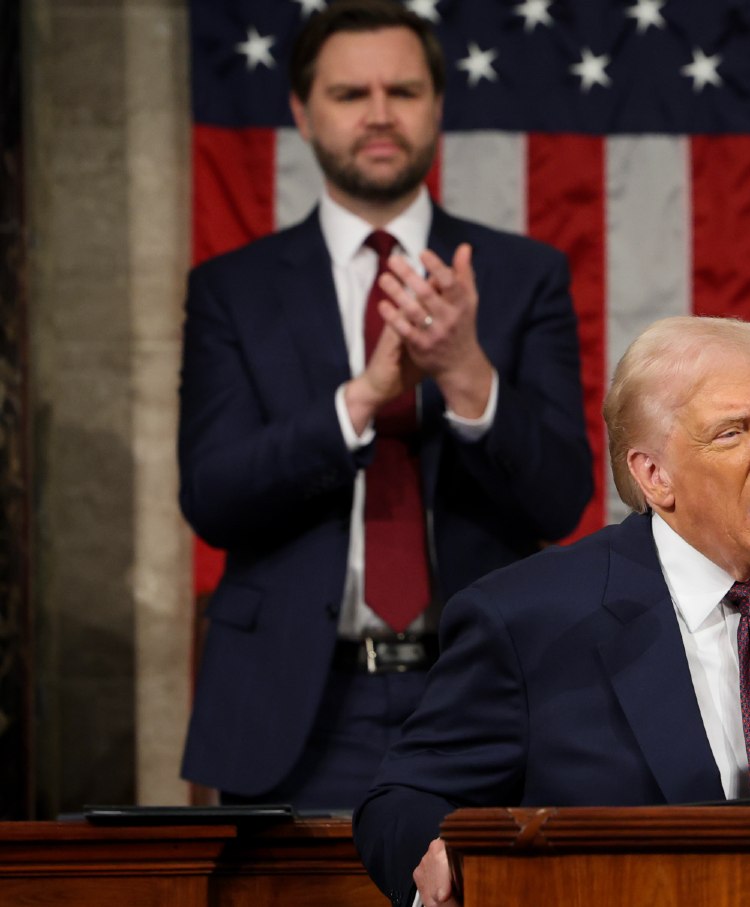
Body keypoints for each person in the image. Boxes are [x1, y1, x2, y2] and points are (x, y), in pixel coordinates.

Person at [353, 316, 750, 907]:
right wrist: (439, 862)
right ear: (654, 477)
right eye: (732, 432)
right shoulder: (528, 619)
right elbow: (401, 801)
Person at [178, 0, 593, 810]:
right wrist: (363, 398)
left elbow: (563, 497)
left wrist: (468, 373)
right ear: (301, 111)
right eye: (349, 94)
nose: (378, 115)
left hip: (484, 696)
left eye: (402, 91)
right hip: (297, 713)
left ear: (438, 105)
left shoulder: (519, 277)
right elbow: (213, 497)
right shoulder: (232, 288)